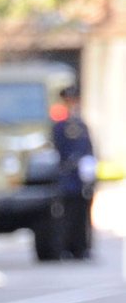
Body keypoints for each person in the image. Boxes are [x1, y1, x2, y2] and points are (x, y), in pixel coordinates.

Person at [51, 90, 96, 260]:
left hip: (81, 176)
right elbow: (59, 150)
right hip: (68, 176)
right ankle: (66, 247)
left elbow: (88, 147)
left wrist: (89, 163)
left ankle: (82, 247)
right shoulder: (60, 125)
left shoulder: (81, 124)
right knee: (67, 213)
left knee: (82, 213)